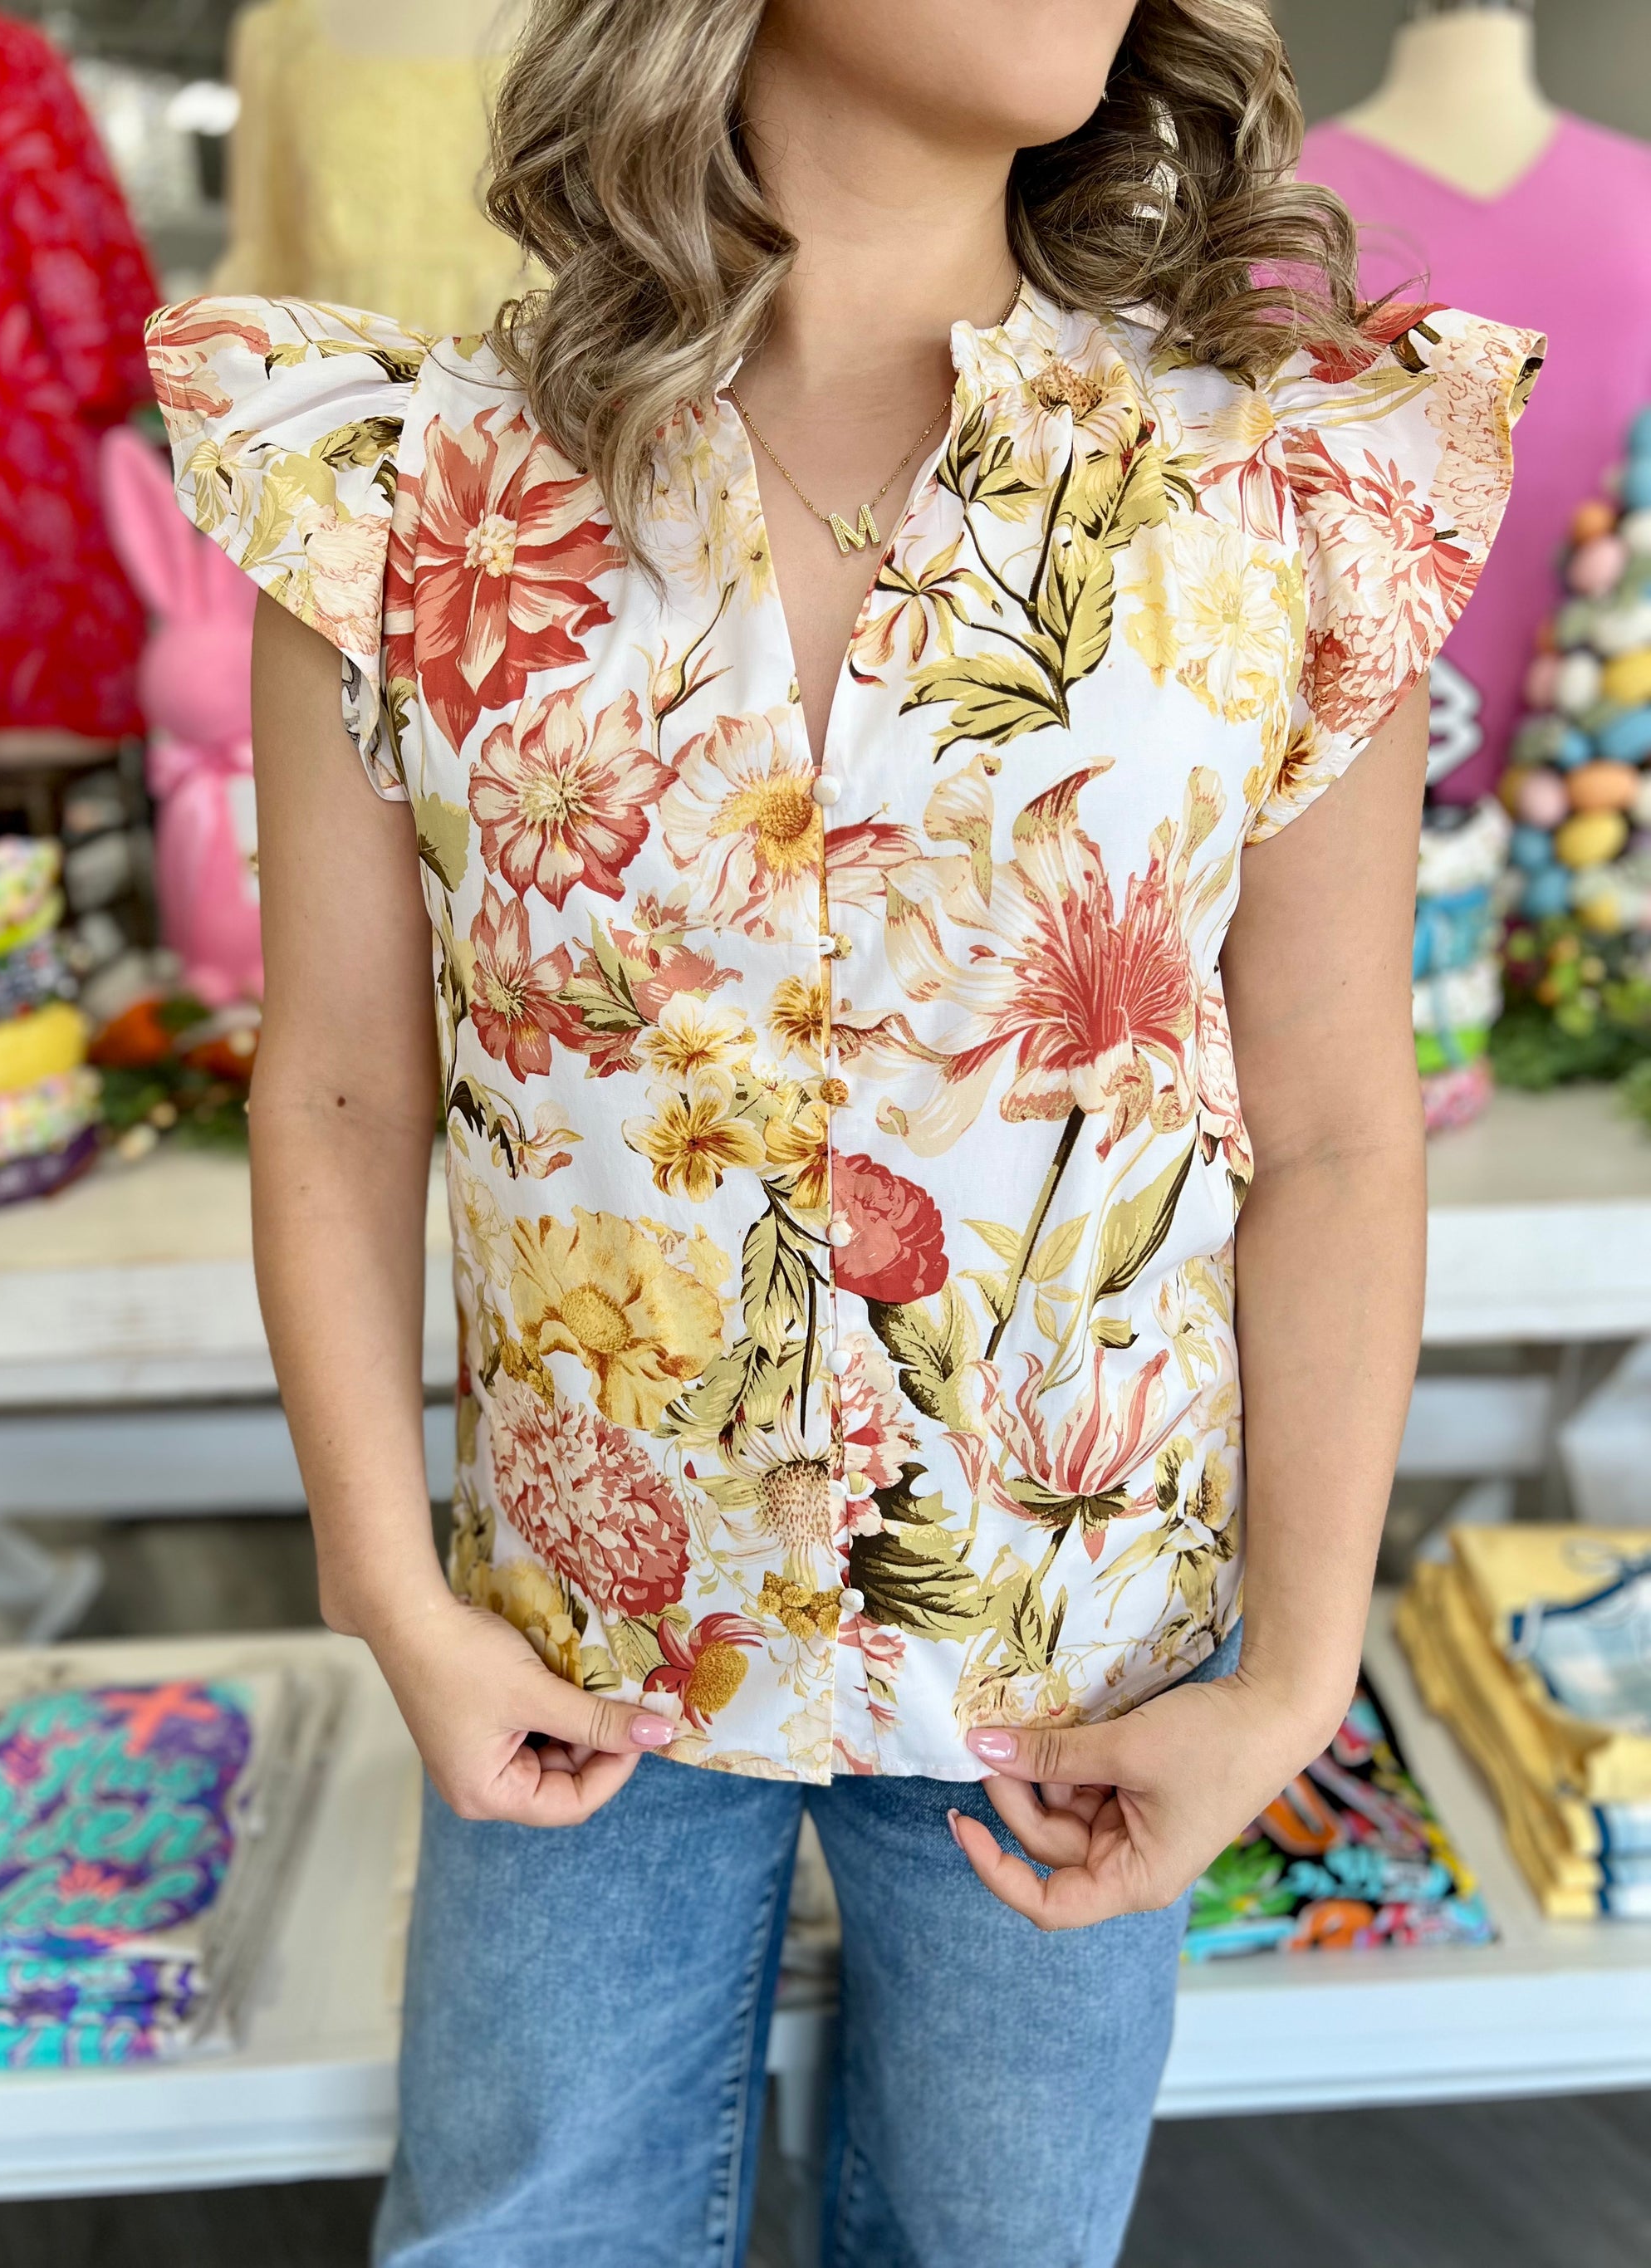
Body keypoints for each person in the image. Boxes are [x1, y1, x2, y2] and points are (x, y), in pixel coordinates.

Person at [147, 2, 1542, 2261]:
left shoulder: (1276, 492)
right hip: (575, 1642)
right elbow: (334, 1083)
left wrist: (1296, 1674)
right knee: (515, 2235)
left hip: (1068, 1656)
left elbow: (1335, 1127)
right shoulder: (417, 489)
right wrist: (383, 1584)